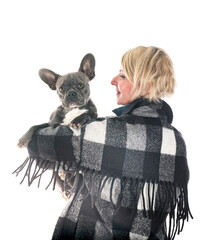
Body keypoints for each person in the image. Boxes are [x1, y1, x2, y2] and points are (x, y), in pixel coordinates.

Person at [15, 46, 192, 239]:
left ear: (146, 84)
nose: (112, 80)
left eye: (122, 76)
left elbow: (39, 144)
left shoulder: (105, 132)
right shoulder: (177, 142)